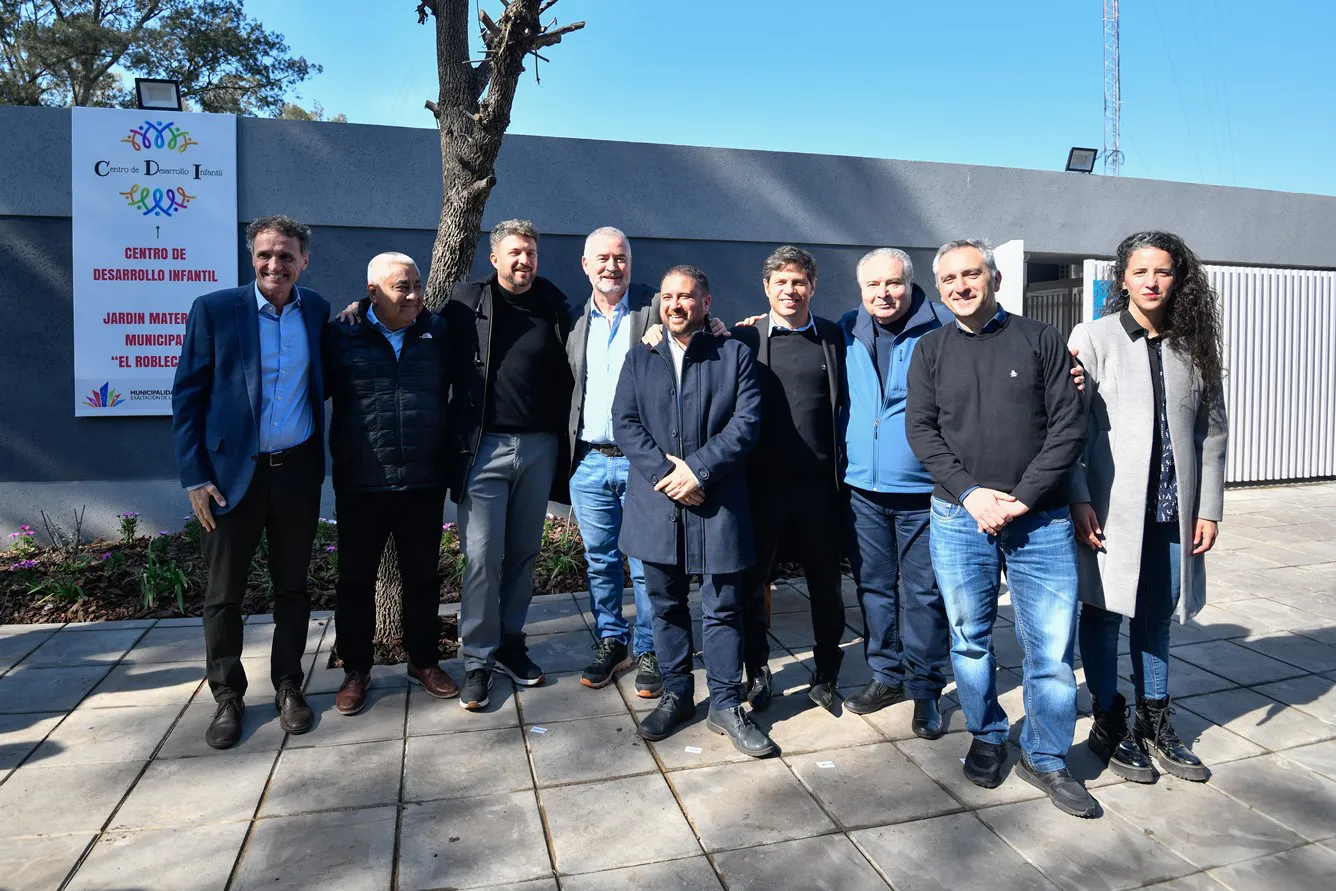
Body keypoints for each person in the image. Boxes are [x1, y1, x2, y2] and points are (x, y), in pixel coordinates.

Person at [906, 239, 1095, 818]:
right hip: (959, 518)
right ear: (938, 288)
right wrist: (970, 494)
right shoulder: (929, 350)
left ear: (994, 279)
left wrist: (1022, 497)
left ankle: (1046, 755)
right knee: (969, 637)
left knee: (1053, 650)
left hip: (1039, 520)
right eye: (948, 279)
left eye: (971, 274)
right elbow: (922, 432)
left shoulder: (1041, 340)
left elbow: (1069, 425)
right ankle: (987, 734)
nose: (960, 286)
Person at [1069, 231, 1228, 785]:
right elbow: (1071, 427)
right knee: (1105, 612)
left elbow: (1212, 433)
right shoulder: (1093, 338)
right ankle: (1108, 717)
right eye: (1141, 272)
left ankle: (1155, 720)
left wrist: (1209, 507)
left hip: (1171, 511)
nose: (1152, 282)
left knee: (1157, 618)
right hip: (1110, 509)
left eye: (1162, 271)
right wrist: (1079, 497)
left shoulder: (1192, 344)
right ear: (1123, 279)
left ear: (1177, 278)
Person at [172, 214, 330, 749]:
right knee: (223, 595)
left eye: (286, 255)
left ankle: (288, 684)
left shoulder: (318, 312)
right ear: (251, 257)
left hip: (296, 474)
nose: (274, 264)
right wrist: (195, 476)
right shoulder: (216, 310)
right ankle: (227, 696)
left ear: (304, 261)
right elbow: (187, 397)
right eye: (265, 254)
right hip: (228, 481)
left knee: (292, 587)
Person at [613, 265, 774, 756]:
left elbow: (746, 425)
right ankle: (678, 693)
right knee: (665, 606)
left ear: (706, 303)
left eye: (685, 297)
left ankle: (725, 703)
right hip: (656, 503)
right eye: (667, 297)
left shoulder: (734, 354)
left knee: (724, 608)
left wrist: (697, 471)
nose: (675, 305)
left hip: (717, 503)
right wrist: (669, 476)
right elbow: (625, 422)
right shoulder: (640, 358)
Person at [322, 252, 464, 716]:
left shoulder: (438, 333)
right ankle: (356, 670)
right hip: (362, 481)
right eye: (403, 287)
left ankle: (423, 661)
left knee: (423, 578)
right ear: (372, 292)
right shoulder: (340, 335)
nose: (415, 295)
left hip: (422, 479)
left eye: (417, 285)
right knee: (355, 582)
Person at [441, 219, 574, 710]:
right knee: (481, 556)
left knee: (522, 553)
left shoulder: (556, 306)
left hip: (539, 448)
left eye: (531, 254)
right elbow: (418, 333)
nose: (524, 262)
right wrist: (362, 309)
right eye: (515, 253)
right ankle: (477, 658)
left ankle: (511, 644)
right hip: (483, 448)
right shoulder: (465, 303)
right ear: (494, 257)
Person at [838, 248, 953, 737]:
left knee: (924, 594)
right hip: (863, 488)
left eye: (893, 284)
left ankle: (925, 688)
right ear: (860, 291)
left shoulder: (945, 328)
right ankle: (886, 674)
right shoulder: (847, 328)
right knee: (874, 589)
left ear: (911, 284)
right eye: (872, 287)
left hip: (925, 490)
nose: (882, 294)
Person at [729, 246, 847, 713]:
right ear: (766, 287)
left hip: (820, 488)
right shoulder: (745, 339)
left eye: (798, 282)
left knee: (827, 588)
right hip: (761, 489)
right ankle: (756, 671)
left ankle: (827, 672)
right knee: (752, 585)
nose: (790, 290)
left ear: (812, 287)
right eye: (781, 282)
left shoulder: (834, 338)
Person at [565, 227, 662, 696]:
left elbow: (703, 321)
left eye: (620, 257)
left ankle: (649, 648)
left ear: (630, 262)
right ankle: (611, 639)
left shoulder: (654, 310)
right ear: (586, 265)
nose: (611, 265)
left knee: (646, 560)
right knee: (600, 560)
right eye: (601, 258)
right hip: (588, 463)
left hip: (641, 461)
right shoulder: (570, 320)